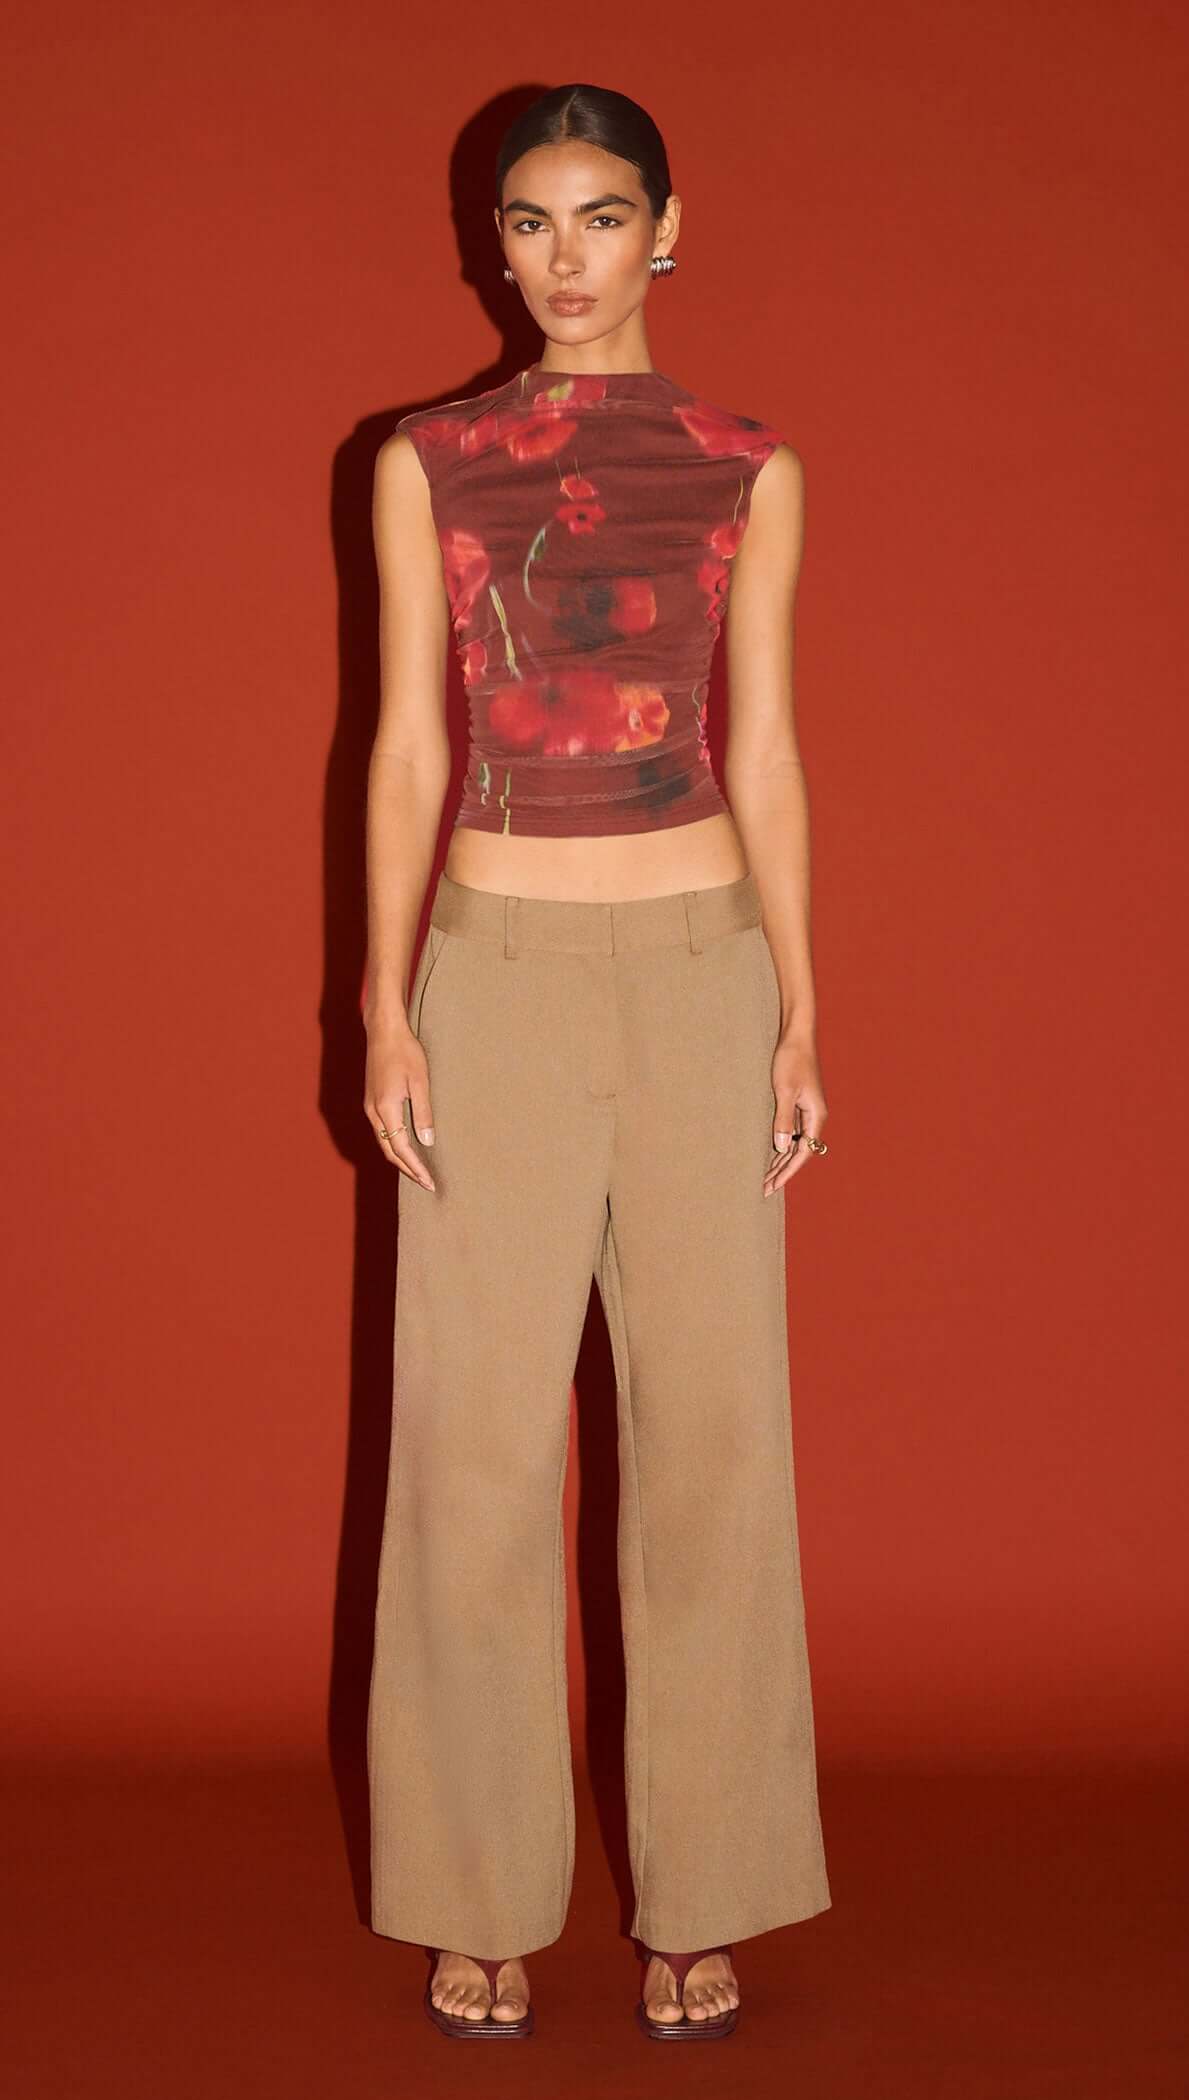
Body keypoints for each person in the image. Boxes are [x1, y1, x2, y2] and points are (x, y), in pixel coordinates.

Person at [363, 81, 831, 2043]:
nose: (562, 256)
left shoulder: (746, 465)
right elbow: (406, 742)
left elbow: (763, 747)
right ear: (494, 244)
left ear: (667, 228)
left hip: (701, 969)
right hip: (497, 975)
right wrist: (385, 1002)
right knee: (471, 1451)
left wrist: (799, 1003)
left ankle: (704, 1889)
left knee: (713, 1444)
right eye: (527, 221)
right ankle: (474, 1888)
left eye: (600, 214)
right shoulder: (429, 460)